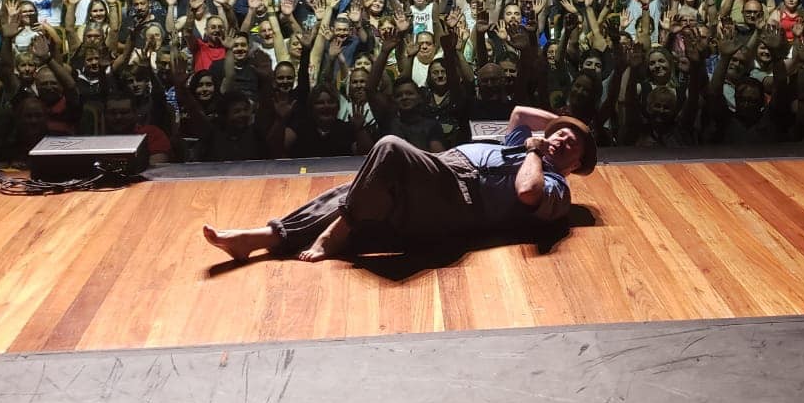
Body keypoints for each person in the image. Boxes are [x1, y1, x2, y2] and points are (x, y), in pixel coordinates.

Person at [203, 105, 595, 263]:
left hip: (459, 197)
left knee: (389, 147)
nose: (560, 139)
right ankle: (259, 238)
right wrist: (564, 124)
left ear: (575, 164)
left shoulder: (557, 186)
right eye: (558, 134)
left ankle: (338, 230)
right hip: (444, 170)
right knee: (355, 191)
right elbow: (520, 113)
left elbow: (527, 192)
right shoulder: (525, 141)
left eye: (570, 144)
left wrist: (535, 151)